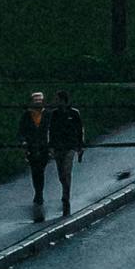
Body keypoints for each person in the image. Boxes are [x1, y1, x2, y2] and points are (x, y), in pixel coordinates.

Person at [46, 86, 88, 217]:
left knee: (66, 170)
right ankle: (65, 188)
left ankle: (66, 195)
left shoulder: (74, 113)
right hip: (58, 146)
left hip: (70, 146)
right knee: (60, 173)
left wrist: (80, 146)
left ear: (63, 100)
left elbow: (80, 129)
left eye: (58, 99)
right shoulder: (54, 114)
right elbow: (51, 130)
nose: (56, 101)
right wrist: (50, 146)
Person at [19, 86, 54, 217]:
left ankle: (39, 193)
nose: (38, 104)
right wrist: (23, 141)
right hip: (32, 147)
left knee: (40, 170)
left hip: (44, 147)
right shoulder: (27, 115)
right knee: (35, 171)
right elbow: (21, 131)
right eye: (36, 102)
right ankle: (38, 192)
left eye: (40, 102)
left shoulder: (48, 114)